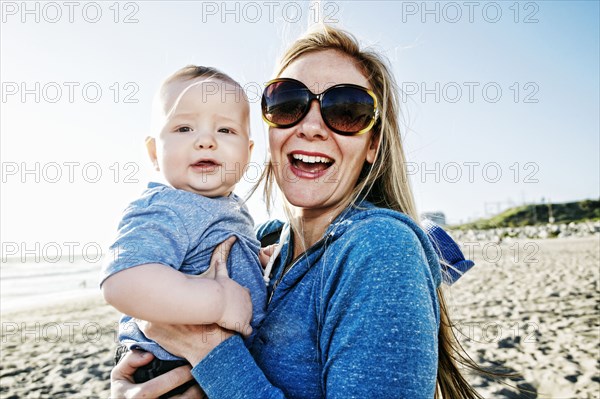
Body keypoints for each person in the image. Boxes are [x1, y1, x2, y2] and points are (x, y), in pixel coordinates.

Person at [111, 25, 483, 399]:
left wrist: (206, 348)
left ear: (373, 144)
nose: (310, 126)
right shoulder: (268, 241)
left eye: (347, 111)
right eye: (288, 103)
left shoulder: (380, 248)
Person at [101, 66, 268, 397]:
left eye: (224, 129)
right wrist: (218, 302)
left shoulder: (231, 206)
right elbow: (123, 281)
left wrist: (255, 259)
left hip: (211, 367)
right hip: (165, 366)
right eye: (184, 127)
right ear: (153, 153)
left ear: (248, 154)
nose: (205, 140)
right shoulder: (164, 207)